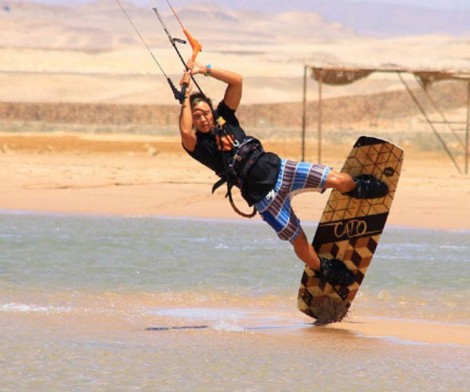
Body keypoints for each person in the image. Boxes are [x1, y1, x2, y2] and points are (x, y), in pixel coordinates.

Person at [178, 61, 388, 287]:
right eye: (197, 116)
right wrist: (185, 99)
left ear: (212, 110)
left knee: (339, 180)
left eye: (206, 113)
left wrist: (204, 69)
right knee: (299, 241)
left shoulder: (225, 117)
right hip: (265, 200)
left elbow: (237, 80)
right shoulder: (199, 146)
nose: (203, 119)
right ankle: (324, 270)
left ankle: (359, 188)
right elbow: (184, 130)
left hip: (281, 170)